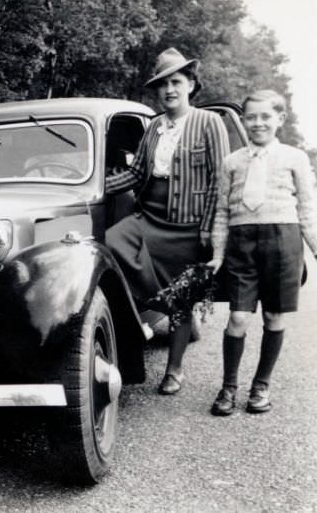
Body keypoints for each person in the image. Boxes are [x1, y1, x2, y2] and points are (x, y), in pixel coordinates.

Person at [106, 47, 230, 395]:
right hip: (148, 220)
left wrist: (208, 228)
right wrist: (95, 187)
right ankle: (152, 313)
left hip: (189, 227)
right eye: (162, 85)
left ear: (191, 84)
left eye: (176, 82)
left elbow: (221, 180)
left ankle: (174, 370)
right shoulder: (154, 127)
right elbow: (136, 173)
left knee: (182, 298)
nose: (169, 90)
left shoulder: (210, 123)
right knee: (111, 244)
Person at [207, 89, 317, 416]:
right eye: (251, 117)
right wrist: (217, 253)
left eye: (266, 117)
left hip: (283, 242)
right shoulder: (232, 161)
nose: (258, 124)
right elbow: (222, 212)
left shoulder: (296, 158)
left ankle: (261, 385)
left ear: (279, 120)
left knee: (273, 316)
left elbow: (307, 210)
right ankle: (228, 386)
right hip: (242, 245)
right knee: (238, 317)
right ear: (243, 120)